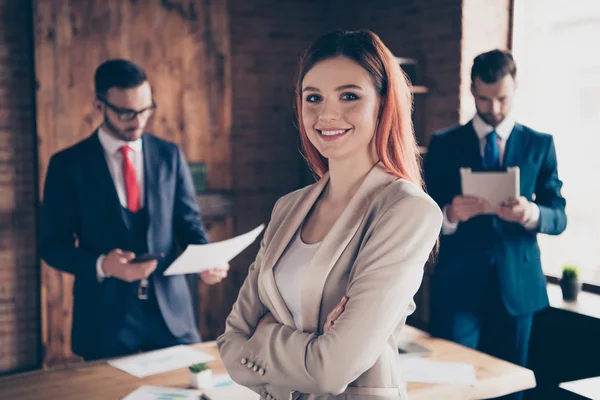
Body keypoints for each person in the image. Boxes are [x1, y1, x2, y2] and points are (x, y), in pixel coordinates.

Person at [217, 30, 442, 400]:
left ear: (383, 104)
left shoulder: (407, 211)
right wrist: (317, 342)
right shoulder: (288, 207)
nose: (327, 114)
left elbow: (332, 369)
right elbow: (230, 341)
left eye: (349, 96)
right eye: (313, 98)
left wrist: (265, 335)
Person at [40, 59, 229, 361]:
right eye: (127, 112)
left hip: (171, 315)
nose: (138, 121)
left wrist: (205, 258)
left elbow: (188, 222)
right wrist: (103, 264)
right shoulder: (67, 165)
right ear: (99, 105)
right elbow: (51, 246)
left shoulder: (170, 154)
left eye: (146, 109)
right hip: (104, 320)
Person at [424, 50, 567, 399]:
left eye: (502, 98)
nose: (495, 108)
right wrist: (450, 214)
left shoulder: (540, 144)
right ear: (472, 90)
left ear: (515, 87)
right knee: (451, 385)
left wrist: (531, 213)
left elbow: (558, 215)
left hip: (518, 287)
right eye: (485, 98)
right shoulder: (444, 145)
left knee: (510, 387)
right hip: (457, 285)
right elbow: (421, 217)